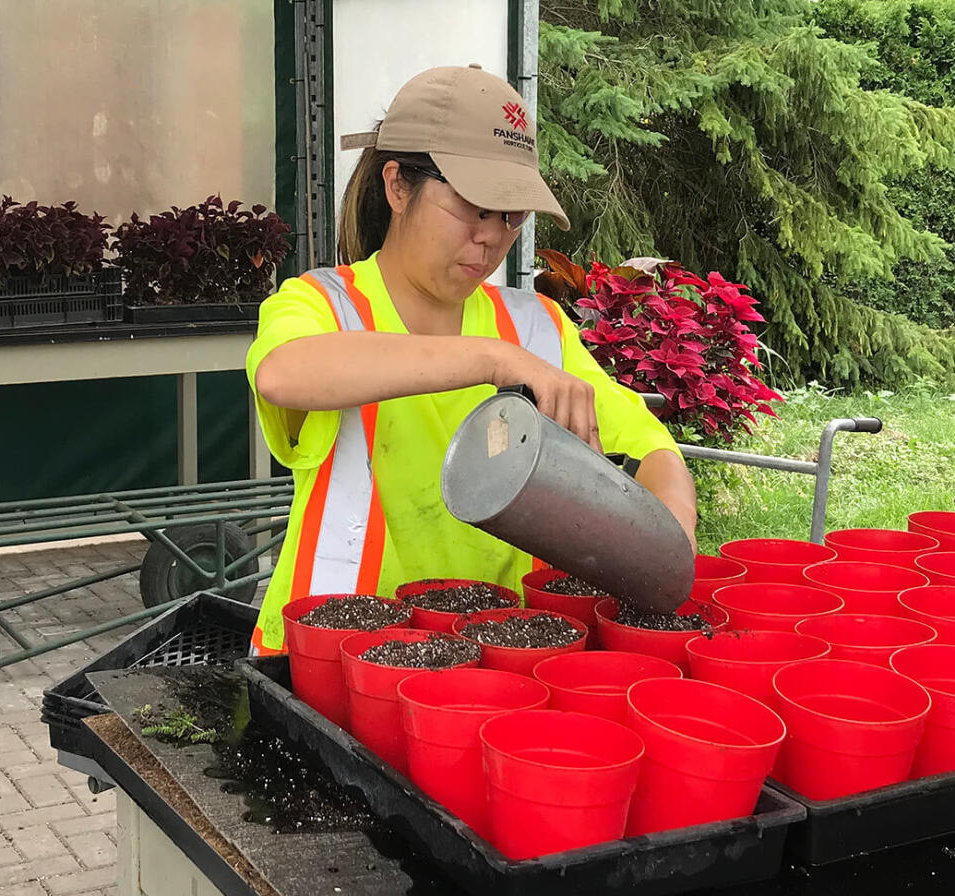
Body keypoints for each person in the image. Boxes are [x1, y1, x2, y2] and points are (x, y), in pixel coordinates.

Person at [245, 65, 696, 653]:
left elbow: (653, 450)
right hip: (327, 659)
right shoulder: (324, 304)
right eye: (473, 208)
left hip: (490, 659)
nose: (491, 237)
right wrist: (491, 359)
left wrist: (669, 547)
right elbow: (286, 373)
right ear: (398, 187)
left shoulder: (535, 328)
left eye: (510, 216)